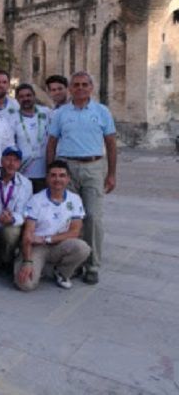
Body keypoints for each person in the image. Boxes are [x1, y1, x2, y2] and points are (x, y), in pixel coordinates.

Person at [47, 71, 117, 285]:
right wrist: (51, 171)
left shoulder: (102, 111)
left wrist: (112, 173)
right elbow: (51, 143)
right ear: (70, 88)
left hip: (93, 167)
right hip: (67, 168)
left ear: (91, 88)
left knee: (93, 217)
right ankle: (75, 262)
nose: (80, 88)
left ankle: (93, 265)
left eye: (84, 84)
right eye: (76, 85)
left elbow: (111, 143)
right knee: (70, 217)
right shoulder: (61, 114)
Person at [15, 160, 90, 291]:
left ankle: (61, 272)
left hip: (59, 245)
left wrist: (47, 239)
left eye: (62, 175)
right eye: (53, 175)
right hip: (37, 247)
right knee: (25, 284)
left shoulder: (75, 199)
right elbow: (28, 234)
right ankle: (42, 268)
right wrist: (27, 262)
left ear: (68, 179)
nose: (57, 179)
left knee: (83, 248)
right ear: (47, 178)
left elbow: (75, 232)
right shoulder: (36, 199)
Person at [0, 147, 33, 273]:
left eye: (15, 160)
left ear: (19, 164)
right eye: (8, 159)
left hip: (9, 227)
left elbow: (24, 212)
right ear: (1, 161)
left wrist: (12, 219)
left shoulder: (26, 183)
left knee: (11, 233)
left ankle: (7, 259)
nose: (11, 163)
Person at [12, 83, 51, 192]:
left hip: (44, 171)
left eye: (28, 95)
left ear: (34, 96)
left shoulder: (47, 112)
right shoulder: (12, 118)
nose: (26, 99)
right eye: (21, 96)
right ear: (17, 99)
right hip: (23, 171)